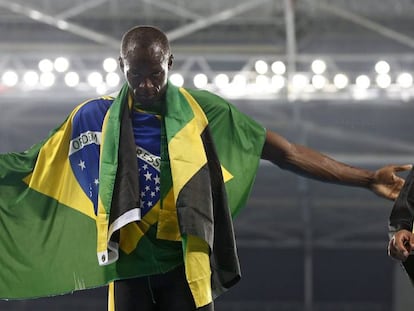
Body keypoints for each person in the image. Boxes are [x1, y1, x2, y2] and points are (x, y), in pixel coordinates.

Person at [0, 25, 411, 311]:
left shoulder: (204, 112)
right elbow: (28, 166)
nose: (145, 85)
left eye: (155, 74)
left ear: (171, 63)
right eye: (136, 74)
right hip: (127, 268)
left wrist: (366, 178)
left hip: (186, 265)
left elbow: (284, 152)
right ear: (119, 66)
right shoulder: (93, 117)